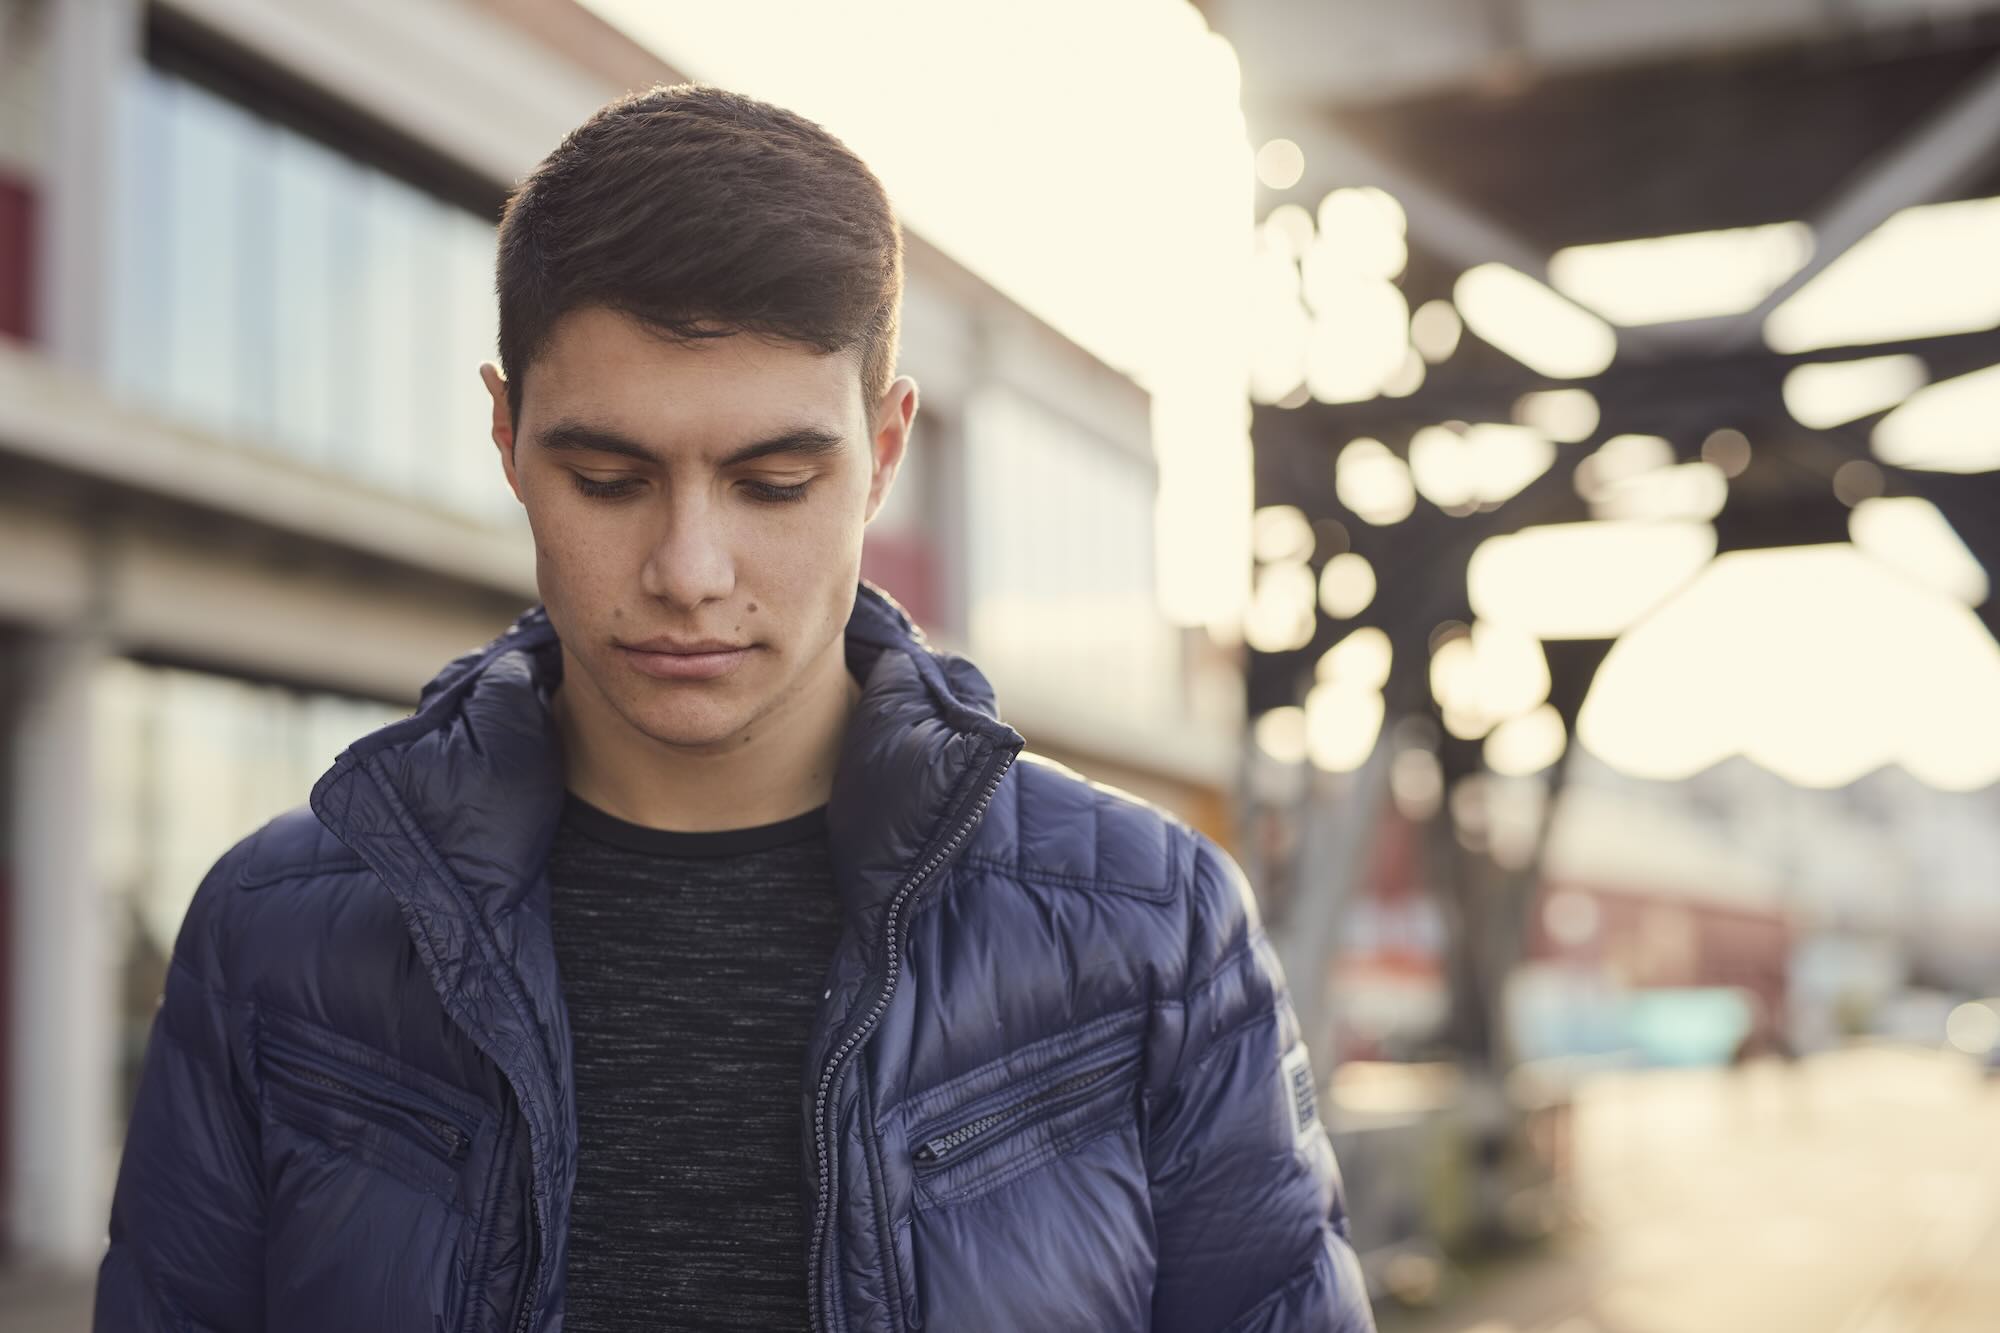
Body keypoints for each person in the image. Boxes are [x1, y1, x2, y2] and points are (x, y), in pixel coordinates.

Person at [94, 84, 1374, 1333]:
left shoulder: (1151, 930)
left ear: (883, 453)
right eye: (607, 480)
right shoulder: (272, 941)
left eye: (770, 485)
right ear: (504, 436)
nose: (688, 571)